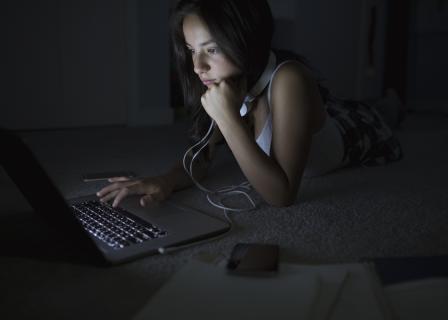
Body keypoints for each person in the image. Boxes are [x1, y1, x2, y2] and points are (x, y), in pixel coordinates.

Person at [96, 0, 402, 209]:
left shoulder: (289, 79)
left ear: (245, 39)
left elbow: (281, 195)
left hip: (353, 130)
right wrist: (165, 181)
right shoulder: (221, 81)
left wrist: (228, 120)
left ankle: (392, 102)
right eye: (191, 50)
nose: (197, 66)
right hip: (321, 113)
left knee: (382, 112)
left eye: (211, 49)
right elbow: (200, 159)